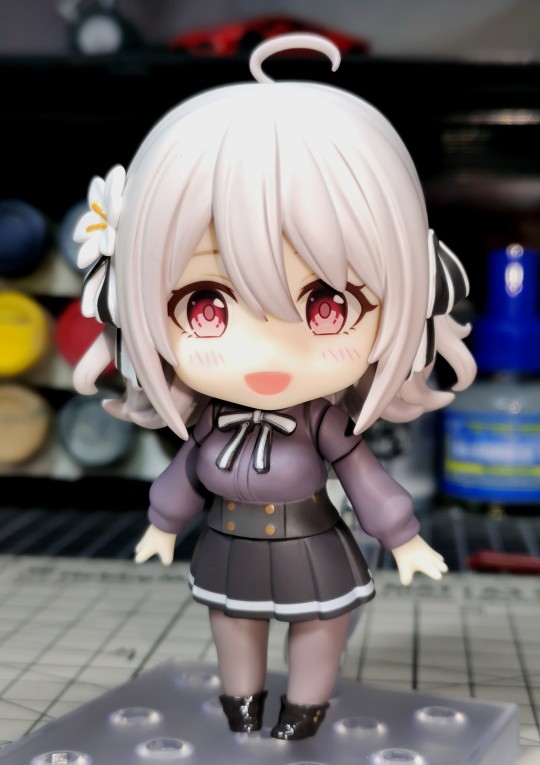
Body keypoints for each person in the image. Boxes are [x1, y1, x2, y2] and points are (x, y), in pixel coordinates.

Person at [73, 33, 476, 740]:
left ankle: (304, 711)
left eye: (327, 306)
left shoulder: (321, 420)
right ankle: (242, 704)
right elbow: (182, 475)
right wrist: (162, 525)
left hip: (310, 543)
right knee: (233, 623)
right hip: (225, 542)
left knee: (319, 625)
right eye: (205, 305)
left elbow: (364, 475)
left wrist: (404, 538)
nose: (265, 350)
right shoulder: (210, 419)